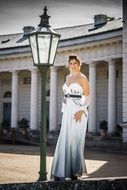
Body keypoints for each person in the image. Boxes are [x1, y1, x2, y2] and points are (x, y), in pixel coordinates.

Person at [50, 54, 90, 180]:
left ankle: (74, 172)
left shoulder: (83, 78)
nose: (73, 65)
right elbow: (67, 94)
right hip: (67, 111)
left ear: (79, 65)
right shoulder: (67, 77)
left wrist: (81, 110)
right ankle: (61, 171)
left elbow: (88, 97)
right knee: (65, 138)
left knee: (74, 140)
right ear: (68, 65)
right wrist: (64, 100)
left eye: (75, 63)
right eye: (71, 63)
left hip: (78, 111)